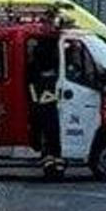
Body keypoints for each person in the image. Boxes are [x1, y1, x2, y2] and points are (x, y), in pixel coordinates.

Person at [26, 38, 65, 177]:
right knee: (54, 139)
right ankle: (58, 167)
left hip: (40, 110)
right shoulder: (55, 77)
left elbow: (31, 93)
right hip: (52, 111)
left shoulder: (33, 75)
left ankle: (49, 166)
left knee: (45, 140)